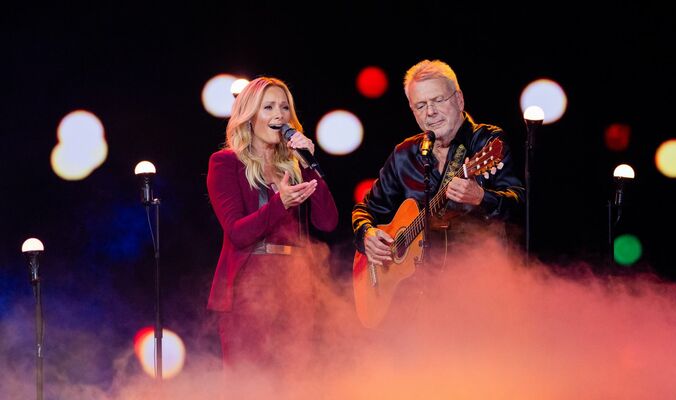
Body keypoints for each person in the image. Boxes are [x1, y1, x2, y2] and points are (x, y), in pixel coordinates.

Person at [351, 60, 524, 323]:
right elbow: (365, 210)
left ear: (459, 99)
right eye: (421, 105)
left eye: (438, 100)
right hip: (415, 304)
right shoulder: (405, 154)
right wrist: (366, 234)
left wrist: (482, 198)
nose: (430, 111)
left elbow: (520, 203)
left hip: (479, 291)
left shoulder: (486, 143)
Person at [206, 77, 338, 376]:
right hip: (247, 289)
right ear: (250, 116)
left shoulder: (294, 164)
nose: (279, 115)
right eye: (268, 107)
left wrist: (307, 163)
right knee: (251, 384)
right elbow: (238, 232)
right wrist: (281, 203)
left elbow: (327, 222)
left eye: (284, 107)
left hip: (295, 288)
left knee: (294, 383)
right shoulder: (225, 163)